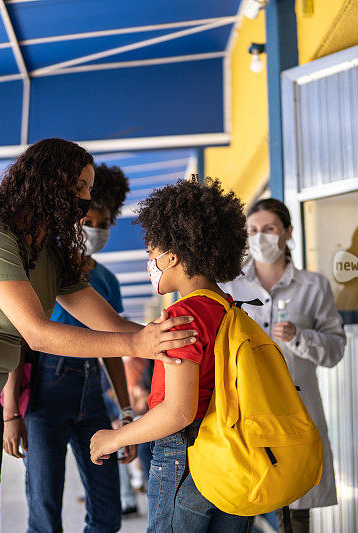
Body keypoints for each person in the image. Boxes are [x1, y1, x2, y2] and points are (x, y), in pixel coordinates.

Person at [0, 139, 198, 533]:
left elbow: (106, 320)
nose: (85, 198)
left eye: (88, 188)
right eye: (79, 186)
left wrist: (160, 338)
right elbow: (37, 333)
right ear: (48, 182)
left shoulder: (49, 252)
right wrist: (138, 345)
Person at [89, 176, 251, 533]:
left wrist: (113, 437)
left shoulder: (183, 316)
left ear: (172, 256)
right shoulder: (228, 309)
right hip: (233, 453)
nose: (150, 262)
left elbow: (178, 411)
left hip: (186, 457)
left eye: (151, 253)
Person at [1, 162, 137, 532]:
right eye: (87, 221)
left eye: (103, 223)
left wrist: (126, 413)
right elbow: (22, 339)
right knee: (45, 513)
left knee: (107, 513)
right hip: (45, 390)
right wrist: (11, 410)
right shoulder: (46, 266)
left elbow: (114, 345)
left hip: (92, 393)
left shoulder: (107, 280)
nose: (94, 229)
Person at [219, 198, 346, 533]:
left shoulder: (313, 286)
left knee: (297, 511)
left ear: (288, 232)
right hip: (247, 411)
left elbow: (335, 350)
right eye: (254, 231)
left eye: (269, 229)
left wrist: (299, 338)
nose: (261, 237)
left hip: (297, 410)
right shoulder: (230, 287)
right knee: (244, 502)